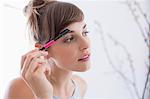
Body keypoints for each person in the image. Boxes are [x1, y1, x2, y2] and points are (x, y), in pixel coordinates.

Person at [4, 0, 91, 99]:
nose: (86, 44)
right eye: (69, 39)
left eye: (85, 32)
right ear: (43, 49)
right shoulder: (20, 89)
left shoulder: (80, 86)